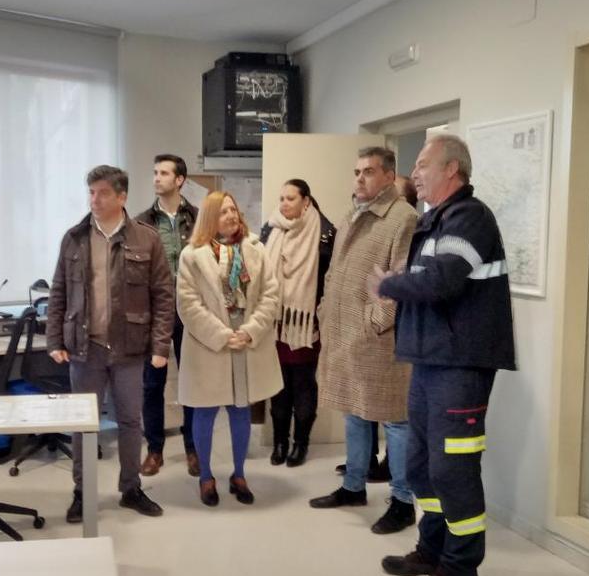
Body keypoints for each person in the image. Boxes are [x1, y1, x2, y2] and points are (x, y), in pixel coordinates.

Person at [374, 134, 516, 576]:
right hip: (431, 362)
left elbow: (443, 280)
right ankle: (432, 549)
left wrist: (390, 285)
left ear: (452, 169)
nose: (413, 173)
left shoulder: (470, 218)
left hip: (461, 366)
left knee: (453, 469)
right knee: (420, 465)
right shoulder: (434, 220)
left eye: (422, 164)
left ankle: (459, 570)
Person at [47, 165, 175, 523]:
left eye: (102, 193)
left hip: (130, 348)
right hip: (84, 349)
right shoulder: (74, 238)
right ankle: (82, 493)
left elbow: (164, 297)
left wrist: (160, 347)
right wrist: (54, 338)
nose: (94, 199)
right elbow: (59, 292)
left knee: (131, 422)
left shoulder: (146, 239)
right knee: (83, 424)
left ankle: (131, 489)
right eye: (91, 192)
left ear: (122, 197)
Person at [309, 147, 419, 535]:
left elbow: (401, 279)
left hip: (379, 340)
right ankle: (354, 486)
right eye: (356, 171)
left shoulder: (403, 218)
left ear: (389, 176)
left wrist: (377, 321)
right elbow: (335, 271)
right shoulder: (352, 212)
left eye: (368, 172)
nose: (359, 179)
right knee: (353, 413)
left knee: (396, 420)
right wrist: (324, 311)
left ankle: (403, 501)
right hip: (345, 334)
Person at [177, 191, 282, 506]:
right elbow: (188, 304)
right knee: (205, 410)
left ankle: (239, 474)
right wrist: (222, 334)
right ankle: (206, 477)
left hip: (247, 345)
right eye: (223, 211)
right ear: (210, 217)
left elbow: (270, 295)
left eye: (234, 209)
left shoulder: (256, 249)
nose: (231, 215)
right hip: (210, 347)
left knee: (241, 410)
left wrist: (250, 331)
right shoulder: (191, 255)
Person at [260, 179, 335, 467]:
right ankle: (280, 442)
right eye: (281, 198)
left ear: (306, 201)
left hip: (307, 325)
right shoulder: (270, 228)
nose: (283, 204)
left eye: (290, 198)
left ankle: (300, 443)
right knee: (278, 387)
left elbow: (331, 282)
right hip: (275, 323)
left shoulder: (325, 233)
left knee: (303, 386)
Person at [134, 154, 199, 477]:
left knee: (192, 384)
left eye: (163, 173)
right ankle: (154, 450)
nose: (156, 178)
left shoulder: (198, 218)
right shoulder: (142, 222)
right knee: (151, 384)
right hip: (154, 313)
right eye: (155, 172)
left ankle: (193, 448)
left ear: (180, 180)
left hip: (191, 312)